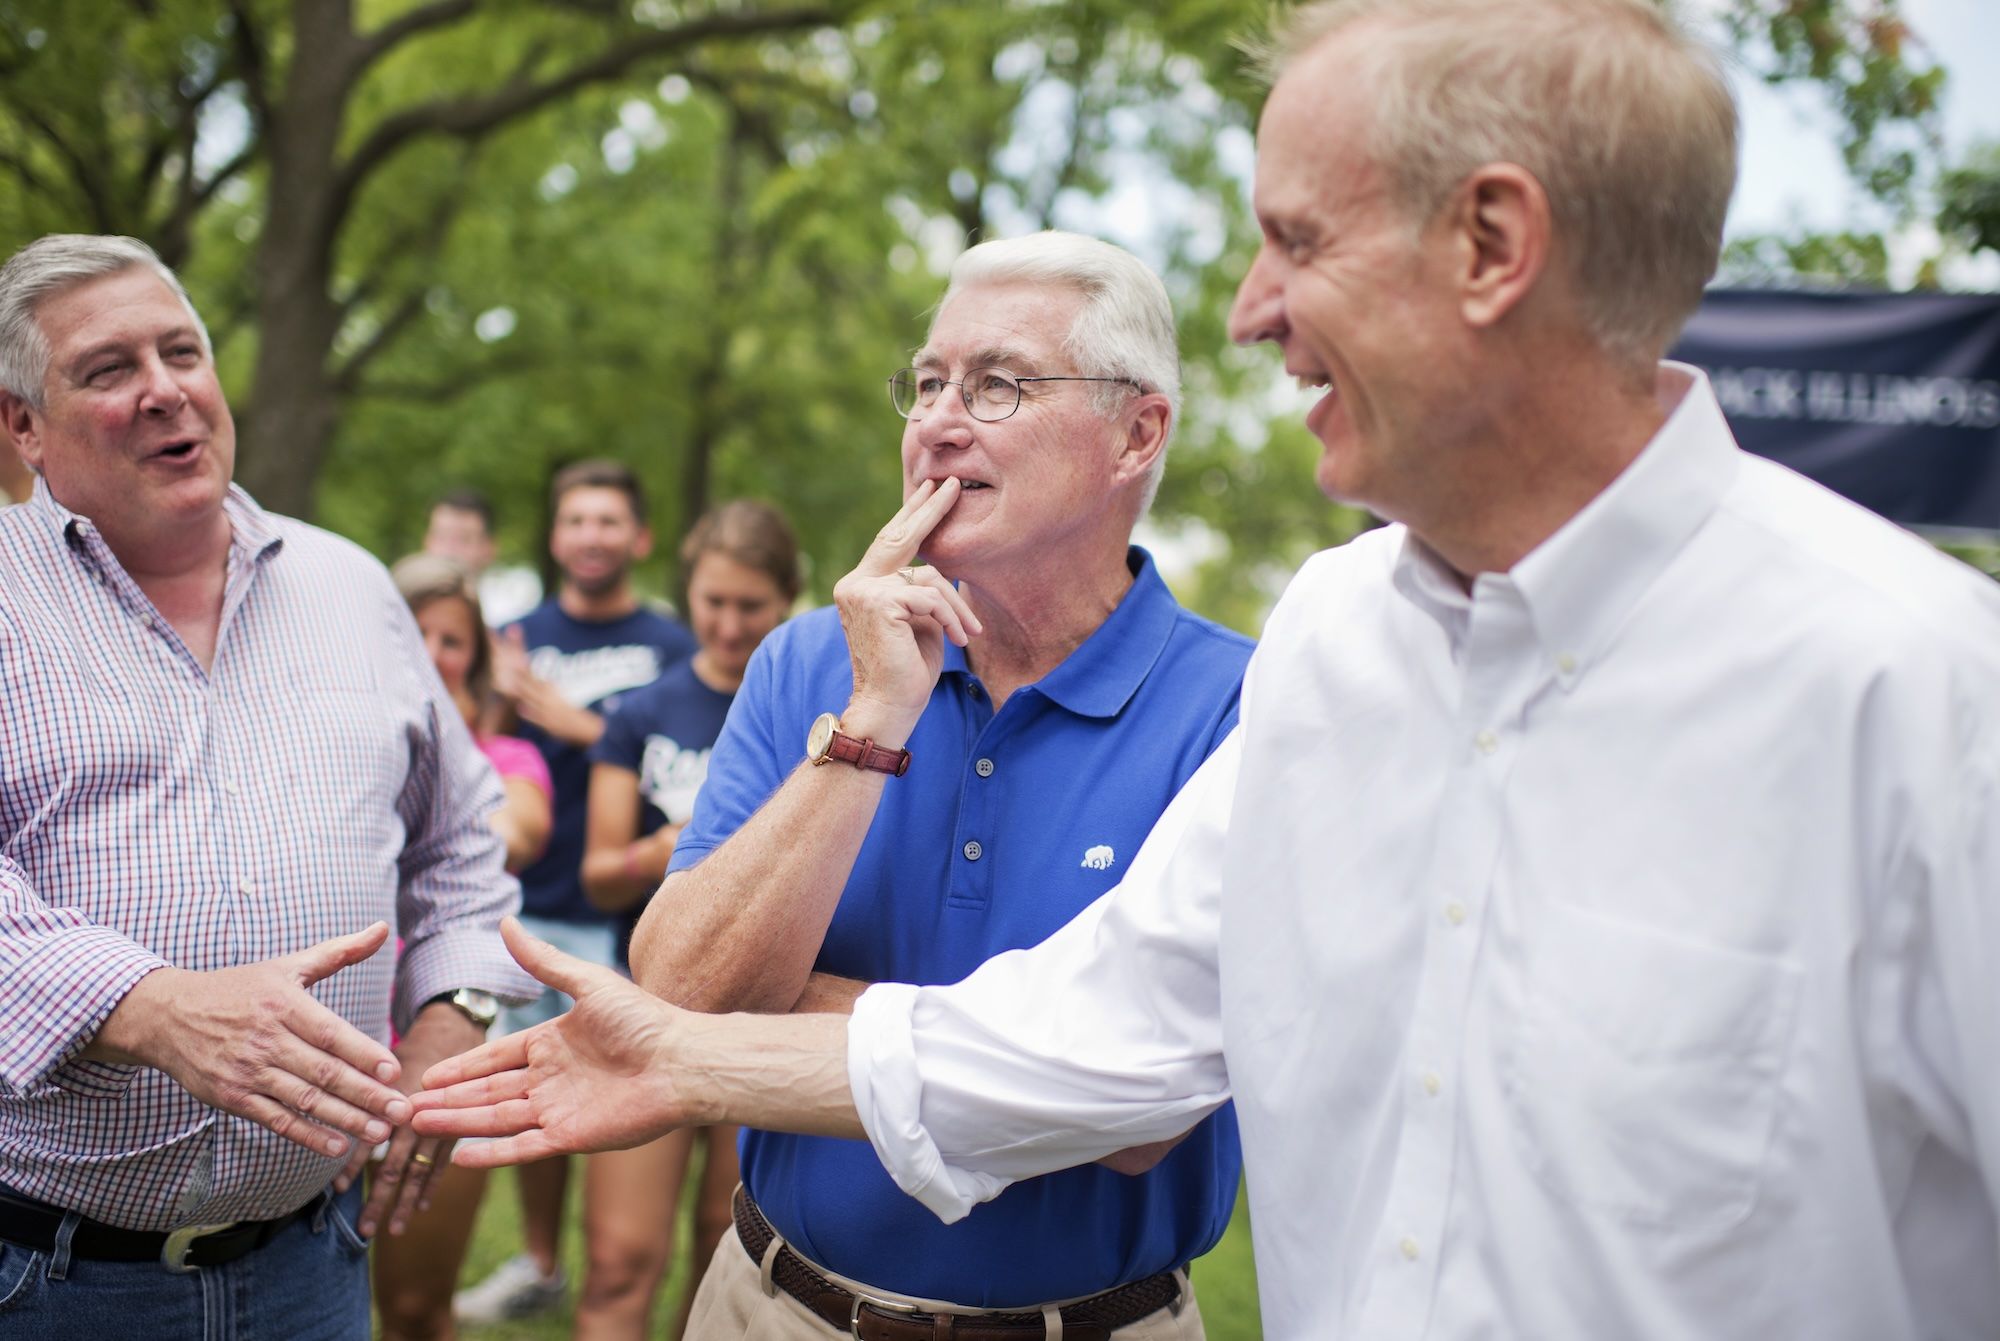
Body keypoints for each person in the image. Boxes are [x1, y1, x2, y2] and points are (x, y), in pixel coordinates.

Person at [414, 2, 2000, 1338]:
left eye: (1296, 241)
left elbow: (1130, 1122)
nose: (1250, 315)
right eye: (932, 380)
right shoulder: (1341, 643)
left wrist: (719, 1033)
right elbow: (1095, 1037)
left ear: (1494, 246)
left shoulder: (1929, 696)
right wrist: (683, 1046)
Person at [621, 230, 1252, 1338]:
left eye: (997, 383)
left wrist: (795, 1003)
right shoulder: (809, 663)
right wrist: (872, 720)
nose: (937, 421)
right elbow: (682, 997)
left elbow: (1139, 1107)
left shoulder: (1239, 706)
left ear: (1134, 433)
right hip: (772, 1306)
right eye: (924, 383)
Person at [0, 233, 534, 1338]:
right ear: (22, 427)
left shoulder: (352, 585)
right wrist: (149, 1008)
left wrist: (455, 1011)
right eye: (108, 370)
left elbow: (460, 842)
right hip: (45, 1276)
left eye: (182, 352)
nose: (164, 391)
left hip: (309, 1267)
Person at [451, 459, 695, 1324]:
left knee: (622, 1087)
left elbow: (673, 758)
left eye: (608, 521)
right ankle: (543, 1258)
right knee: (532, 1086)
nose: (591, 535)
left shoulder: (676, 645)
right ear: (556, 537)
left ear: (640, 538)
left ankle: (619, 1258)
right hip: (527, 902)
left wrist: (576, 721)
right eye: (576, 520)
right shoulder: (514, 637)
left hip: (627, 916)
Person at [574, 500, 800, 1340]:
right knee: (620, 1256)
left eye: (751, 605)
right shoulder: (643, 712)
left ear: (786, 599)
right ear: (689, 592)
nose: (730, 623)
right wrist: (669, 847)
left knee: (723, 1246)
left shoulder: (814, 707)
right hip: (649, 1001)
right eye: (713, 601)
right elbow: (597, 875)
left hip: (768, 1010)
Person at [371, 553, 554, 1341]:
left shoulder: (508, 761)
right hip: (333, 1040)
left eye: (452, 639)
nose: (433, 650)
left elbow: (517, 832)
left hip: (445, 1049)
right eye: (417, 630)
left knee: (414, 1308)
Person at [424, 488, 542, 628]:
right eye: (441, 536)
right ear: (426, 541)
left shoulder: (509, 616)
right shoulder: (402, 604)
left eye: (464, 539)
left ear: (489, 548)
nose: (449, 551)